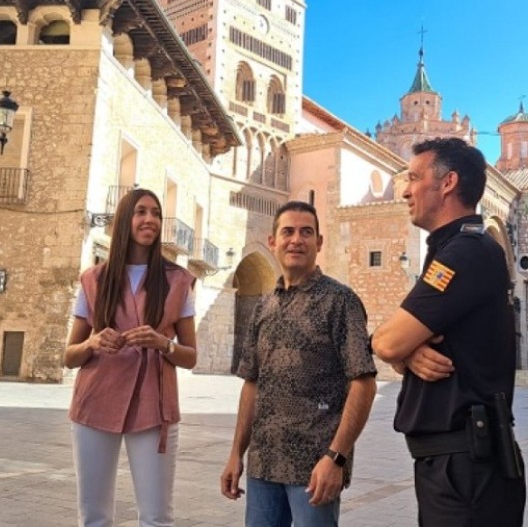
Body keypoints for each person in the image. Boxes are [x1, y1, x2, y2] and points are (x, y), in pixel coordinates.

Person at [372, 138, 526, 527]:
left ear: (447, 183)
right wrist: (408, 354)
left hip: (465, 470)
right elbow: (399, 343)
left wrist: (398, 348)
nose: (405, 191)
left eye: (414, 178)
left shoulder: (465, 253)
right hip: (458, 465)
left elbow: (387, 341)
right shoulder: (455, 249)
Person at [221, 201, 377, 527]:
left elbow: (363, 383)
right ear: (273, 241)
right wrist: (236, 453)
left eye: (306, 232)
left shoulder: (340, 301)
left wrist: (336, 457)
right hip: (264, 463)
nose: (296, 240)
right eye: (288, 232)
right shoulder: (264, 306)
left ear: (319, 242)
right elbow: (251, 383)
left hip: (315, 467)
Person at [64, 188, 198, 527]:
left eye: (156, 213)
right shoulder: (94, 279)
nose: (150, 219)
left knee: (156, 517)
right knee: (93, 517)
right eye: (141, 211)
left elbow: (190, 357)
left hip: (154, 407)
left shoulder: (178, 280)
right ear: (125, 219)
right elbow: (70, 356)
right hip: (95, 401)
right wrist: (93, 342)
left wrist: (163, 343)